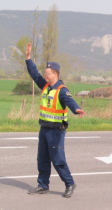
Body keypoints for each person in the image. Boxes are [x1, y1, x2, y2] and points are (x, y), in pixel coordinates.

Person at [25, 42, 85, 198]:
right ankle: (43, 185)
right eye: (45, 72)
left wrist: (76, 109)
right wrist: (28, 58)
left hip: (57, 131)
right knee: (42, 159)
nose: (45, 75)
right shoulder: (45, 86)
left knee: (57, 160)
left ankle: (70, 183)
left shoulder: (62, 90)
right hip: (44, 128)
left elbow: (70, 101)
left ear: (55, 75)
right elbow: (34, 74)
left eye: (48, 73)